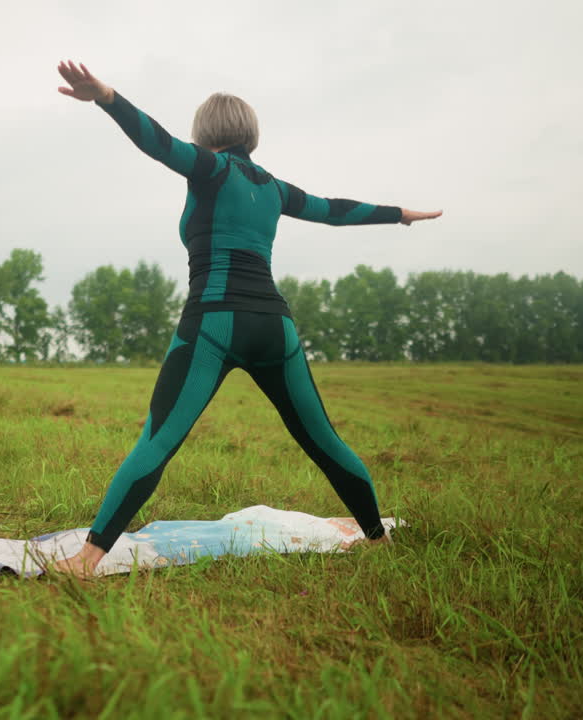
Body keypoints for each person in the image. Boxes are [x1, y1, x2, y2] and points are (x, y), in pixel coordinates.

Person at [51, 60, 442, 578]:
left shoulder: (211, 169)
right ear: (250, 136)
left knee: (159, 439)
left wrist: (108, 97)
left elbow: (158, 142)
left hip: (213, 323)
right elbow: (334, 209)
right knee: (324, 441)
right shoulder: (274, 189)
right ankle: (377, 538)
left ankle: (87, 559)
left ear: (205, 136)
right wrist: (397, 214)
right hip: (274, 327)